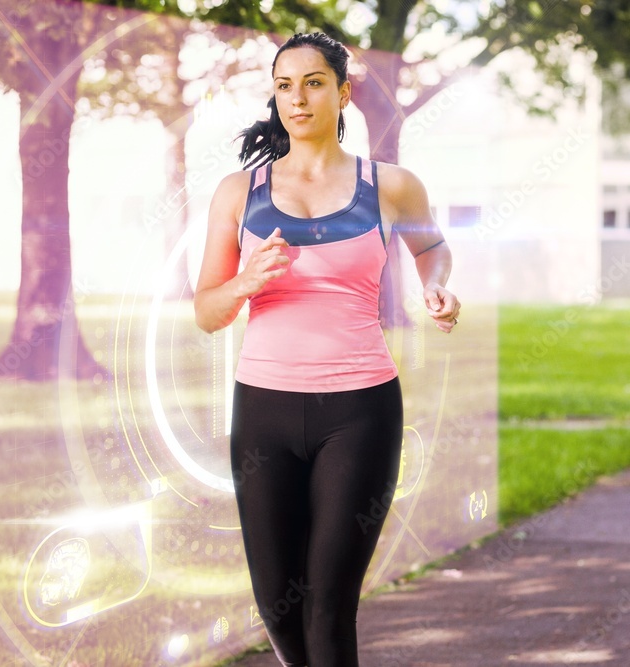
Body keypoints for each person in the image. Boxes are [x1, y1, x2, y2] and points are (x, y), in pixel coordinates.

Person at [193, 32, 460, 666]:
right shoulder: (240, 193)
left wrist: (438, 288)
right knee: (276, 602)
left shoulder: (390, 186)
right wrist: (244, 283)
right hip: (263, 412)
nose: (297, 98)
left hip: (359, 411)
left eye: (313, 83)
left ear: (342, 93)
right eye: (284, 85)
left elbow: (432, 249)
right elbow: (207, 311)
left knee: (328, 604)